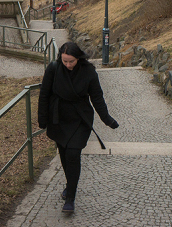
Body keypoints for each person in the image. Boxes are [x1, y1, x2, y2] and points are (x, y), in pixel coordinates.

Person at [38, 41, 119, 214]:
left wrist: (107, 120)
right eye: (65, 61)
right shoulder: (53, 68)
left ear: (78, 58)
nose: (68, 65)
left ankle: (70, 198)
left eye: (71, 61)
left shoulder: (89, 71)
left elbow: (97, 97)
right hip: (58, 117)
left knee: (73, 154)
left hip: (80, 118)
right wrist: (42, 119)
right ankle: (70, 184)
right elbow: (44, 94)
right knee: (64, 154)